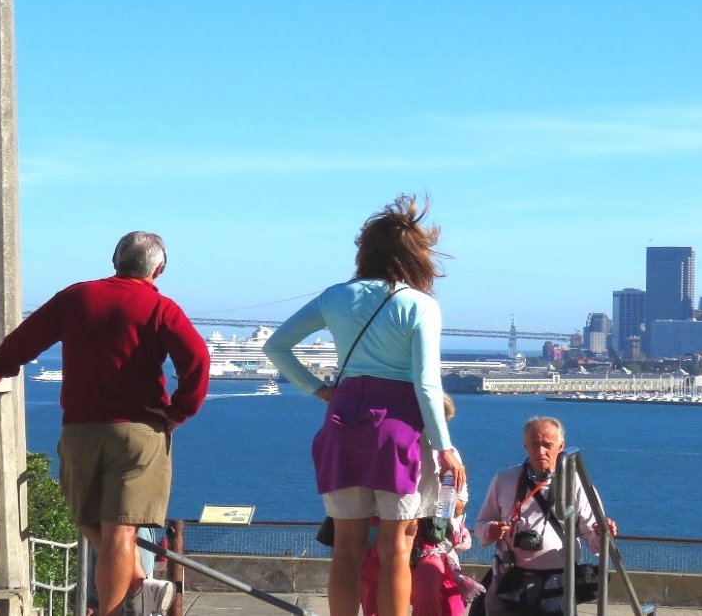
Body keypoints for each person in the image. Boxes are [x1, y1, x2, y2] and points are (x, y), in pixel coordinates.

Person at [0, 231, 209, 616]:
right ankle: (134, 588)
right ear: (160, 268)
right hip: (138, 432)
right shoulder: (160, 307)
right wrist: (178, 412)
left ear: (114, 259)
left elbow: (24, 340)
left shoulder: (76, 297)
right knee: (120, 531)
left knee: (91, 523)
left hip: (81, 429)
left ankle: (136, 587)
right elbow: (198, 362)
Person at [264, 195, 468, 616]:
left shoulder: (335, 297)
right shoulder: (420, 304)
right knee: (397, 549)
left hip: (342, 423)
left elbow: (276, 345)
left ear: (365, 251)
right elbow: (427, 384)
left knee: (346, 549)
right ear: (416, 255)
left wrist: (316, 388)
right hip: (399, 432)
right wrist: (445, 447)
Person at [472, 417, 616, 616]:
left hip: (556, 583)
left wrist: (601, 531)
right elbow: (480, 526)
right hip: (509, 578)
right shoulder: (505, 479)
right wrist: (490, 530)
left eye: (548, 445)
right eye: (535, 444)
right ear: (525, 445)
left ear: (561, 445)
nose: (541, 451)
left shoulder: (576, 484)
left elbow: (594, 542)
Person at [358, 395, 482, 616]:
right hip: (387, 535)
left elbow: (459, 506)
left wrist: (447, 487)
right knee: (376, 593)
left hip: (426, 541)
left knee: (427, 591)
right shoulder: (392, 447)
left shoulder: (449, 455)